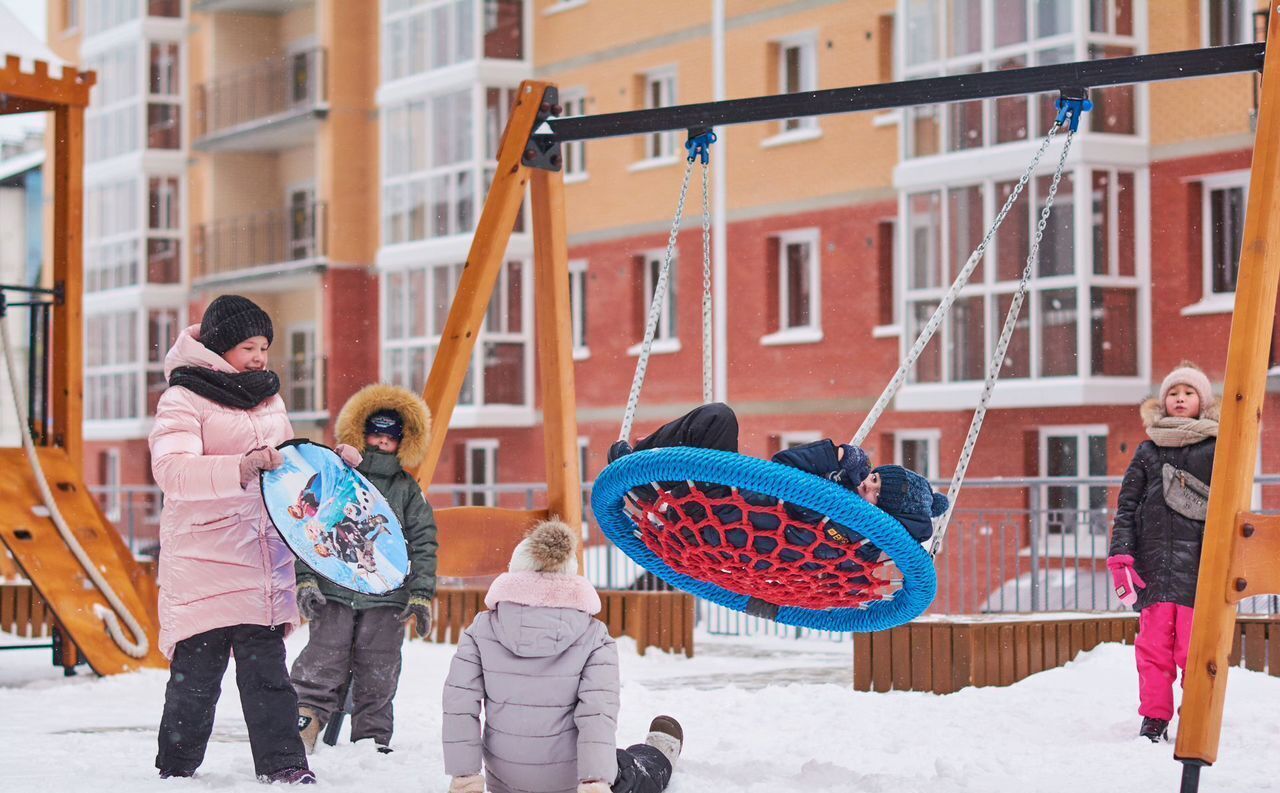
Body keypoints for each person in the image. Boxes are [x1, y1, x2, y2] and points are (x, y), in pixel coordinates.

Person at [149, 294, 316, 784]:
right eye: (248, 346)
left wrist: (332, 466)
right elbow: (172, 471)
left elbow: (287, 466)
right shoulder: (183, 397)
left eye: (264, 345)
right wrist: (239, 469)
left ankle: (285, 765)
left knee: (269, 678)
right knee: (196, 682)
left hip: (262, 559)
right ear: (221, 347)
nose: (260, 357)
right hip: (206, 560)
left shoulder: (268, 398)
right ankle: (176, 768)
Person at [443, 518, 683, 793]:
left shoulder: (481, 629)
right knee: (634, 771)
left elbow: (459, 705)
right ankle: (658, 754)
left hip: (506, 779)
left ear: (515, 572)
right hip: (572, 779)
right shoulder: (593, 636)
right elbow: (597, 713)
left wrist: (465, 779)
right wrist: (595, 783)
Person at [291, 384, 439, 754]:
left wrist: (421, 595)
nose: (381, 441)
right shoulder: (338, 478)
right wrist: (306, 579)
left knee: (379, 670)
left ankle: (372, 740)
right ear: (360, 432)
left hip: (388, 598)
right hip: (335, 591)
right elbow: (309, 527)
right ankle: (303, 726)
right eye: (374, 432)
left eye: (390, 435)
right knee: (321, 661)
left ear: (403, 441)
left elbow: (423, 543)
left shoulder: (408, 491)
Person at [608, 402, 947, 546]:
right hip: (728, 510)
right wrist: (838, 460)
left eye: (876, 493)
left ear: (886, 512)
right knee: (714, 422)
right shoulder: (847, 502)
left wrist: (832, 460)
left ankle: (639, 472)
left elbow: (785, 479)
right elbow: (782, 465)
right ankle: (641, 463)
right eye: (874, 479)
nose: (866, 487)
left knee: (717, 419)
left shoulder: (857, 530)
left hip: (725, 520)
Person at [1108, 362, 1218, 743]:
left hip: (1199, 569)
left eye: (1188, 393)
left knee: (1195, 650)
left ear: (1201, 402)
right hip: (1153, 567)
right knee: (1153, 648)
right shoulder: (1148, 451)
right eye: (1174, 393)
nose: (1180, 398)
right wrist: (1121, 555)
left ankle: (1197, 716)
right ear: (1163, 401)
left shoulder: (1216, 448)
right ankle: (1154, 717)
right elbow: (1127, 505)